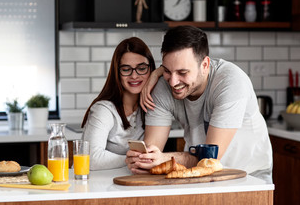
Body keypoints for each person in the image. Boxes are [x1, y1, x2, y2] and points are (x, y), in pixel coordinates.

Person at [126, 26, 273, 183]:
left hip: (248, 176)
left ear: (204, 65)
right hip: (198, 175)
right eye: (167, 71)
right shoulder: (163, 86)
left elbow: (210, 158)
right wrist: (143, 160)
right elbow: (152, 151)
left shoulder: (230, 82)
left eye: (183, 73)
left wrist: (163, 159)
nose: (173, 82)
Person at [81, 37, 160, 170]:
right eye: (126, 69)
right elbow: (90, 159)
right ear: (117, 73)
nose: (134, 76)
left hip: (128, 182)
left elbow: (170, 70)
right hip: (94, 184)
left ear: (150, 69)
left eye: (141, 68)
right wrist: (136, 159)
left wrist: (157, 73)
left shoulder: (149, 106)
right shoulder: (104, 110)